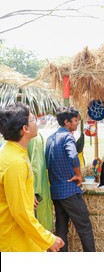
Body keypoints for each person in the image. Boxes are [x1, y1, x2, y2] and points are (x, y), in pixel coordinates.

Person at [0, 103, 63, 252]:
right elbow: (20, 213)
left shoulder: (12, 151)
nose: (37, 122)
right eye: (33, 119)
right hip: (14, 242)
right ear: (25, 129)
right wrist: (48, 239)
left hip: (19, 236)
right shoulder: (15, 162)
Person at [45, 106, 96, 252]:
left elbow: (47, 164)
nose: (77, 123)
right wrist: (78, 174)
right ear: (67, 122)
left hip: (55, 190)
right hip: (69, 190)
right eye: (75, 121)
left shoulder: (50, 138)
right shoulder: (67, 136)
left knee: (61, 229)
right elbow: (73, 156)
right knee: (84, 226)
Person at [28, 132, 54, 231]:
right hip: (36, 191)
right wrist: (34, 191)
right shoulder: (34, 137)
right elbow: (36, 165)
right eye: (32, 119)